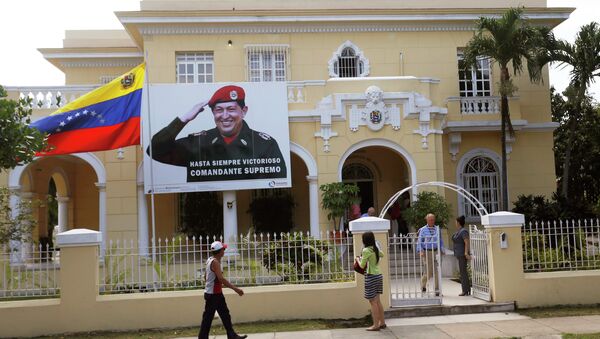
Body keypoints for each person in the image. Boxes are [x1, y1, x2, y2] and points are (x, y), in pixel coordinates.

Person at [149, 85, 287, 182]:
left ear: (243, 111)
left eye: (231, 109)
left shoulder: (264, 144)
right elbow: (155, 150)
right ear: (213, 113)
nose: (225, 116)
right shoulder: (199, 142)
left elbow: (278, 182)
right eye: (219, 110)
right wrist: (183, 119)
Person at [198, 241, 247, 339]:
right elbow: (221, 279)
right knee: (208, 318)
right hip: (213, 295)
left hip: (215, 293)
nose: (224, 251)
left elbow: (205, 276)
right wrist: (236, 289)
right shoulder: (215, 262)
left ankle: (231, 335)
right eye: (223, 249)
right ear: (220, 251)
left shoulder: (210, 260)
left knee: (225, 314)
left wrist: (212, 284)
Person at [354, 231, 386, 331]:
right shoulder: (375, 249)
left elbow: (362, 265)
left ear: (364, 240)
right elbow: (382, 254)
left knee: (372, 302)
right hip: (379, 275)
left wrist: (357, 259)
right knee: (378, 301)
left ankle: (375, 325)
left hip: (371, 276)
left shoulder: (366, 250)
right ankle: (382, 323)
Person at [416, 213, 445, 296]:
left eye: (433, 219)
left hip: (436, 252)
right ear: (427, 220)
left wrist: (442, 249)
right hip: (427, 252)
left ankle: (437, 290)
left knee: (437, 271)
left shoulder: (437, 229)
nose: (432, 221)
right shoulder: (423, 229)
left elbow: (440, 240)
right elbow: (419, 241)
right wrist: (420, 251)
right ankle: (423, 285)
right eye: (430, 220)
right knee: (428, 272)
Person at [452, 215, 471, 296]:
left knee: (463, 273)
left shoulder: (463, 231)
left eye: (456, 221)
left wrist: (466, 253)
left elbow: (467, 242)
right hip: (459, 254)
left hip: (462, 254)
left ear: (458, 222)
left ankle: (465, 290)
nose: (455, 223)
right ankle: (466, 290)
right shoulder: (459, 231)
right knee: (462, 272)